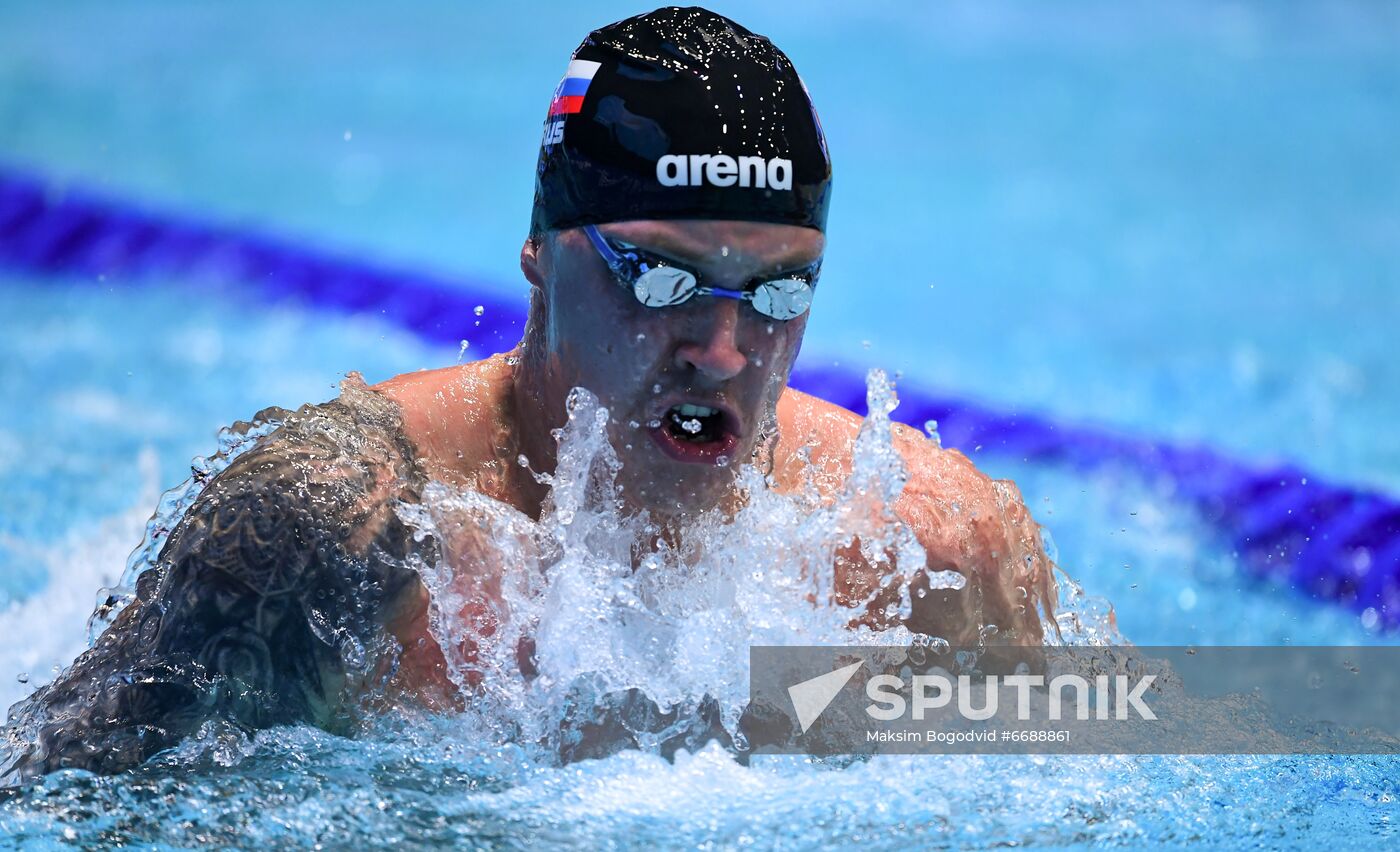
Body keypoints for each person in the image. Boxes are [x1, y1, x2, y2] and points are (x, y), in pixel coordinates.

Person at [2, 6, 1056, 778]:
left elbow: (1126, 776)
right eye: (659, 275)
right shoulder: (338, 528)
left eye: (779, 290)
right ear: (541, 255)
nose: (723, 350)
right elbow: (59, 798)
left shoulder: (933, 554)